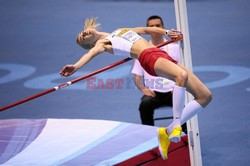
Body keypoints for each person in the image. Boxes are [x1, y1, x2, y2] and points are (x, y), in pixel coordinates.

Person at [60, 17, 212, 160]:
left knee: (205, 96)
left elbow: (146, 30)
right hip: (148, 57)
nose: (83, 34)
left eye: (82, 32)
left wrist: (167, 32)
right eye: (82, 38)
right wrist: (76, 66)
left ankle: (166, 132)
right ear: (90, 43)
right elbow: (90, 54)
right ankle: (177, 126)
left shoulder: (120, 30)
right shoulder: (103, 43)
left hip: (159, 53)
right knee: (182, 76)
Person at [131, 15, 187, 134]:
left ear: (163, 27)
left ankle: (185, 135)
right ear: (147, 30)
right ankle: (149, 136)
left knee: (186, 105)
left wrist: (178, 88)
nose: (155, 28)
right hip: (153, 93)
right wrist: (143, 90)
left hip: (173, 90)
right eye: (151, 26)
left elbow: (184, 71)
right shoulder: (141, 51)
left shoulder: (175, 48)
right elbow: (137, 76)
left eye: (158, 25)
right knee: (144, 105)